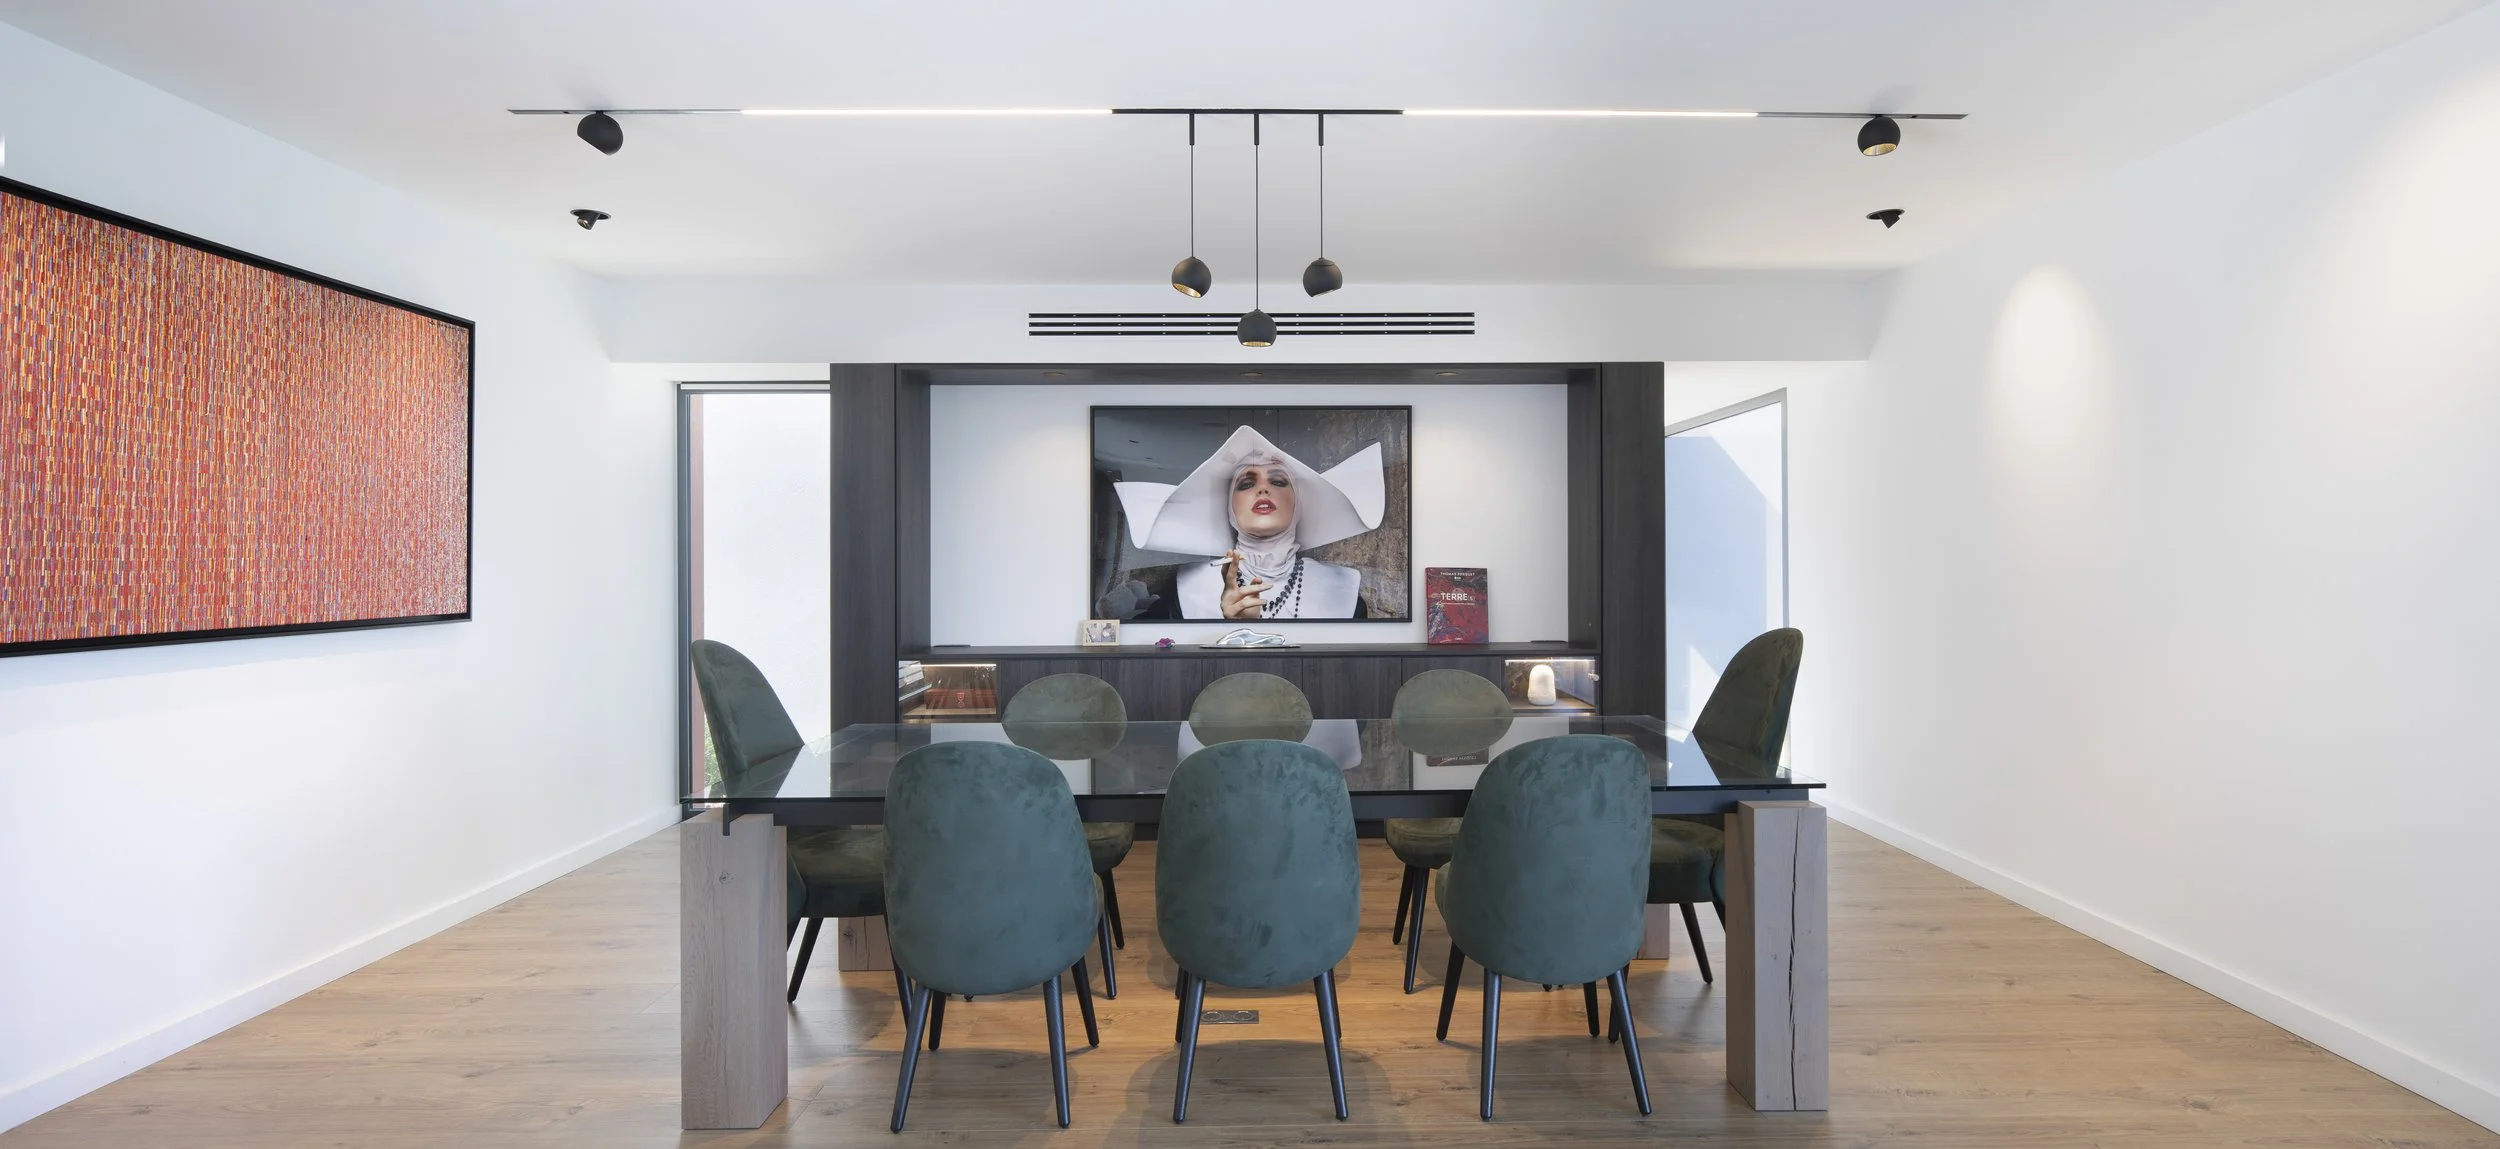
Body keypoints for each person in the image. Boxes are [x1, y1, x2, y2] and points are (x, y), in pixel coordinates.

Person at [1112, 425, 1385, 620]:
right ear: (1230, 510)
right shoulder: (1184, 591)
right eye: (1246, 484)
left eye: (1278, 481)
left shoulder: (1344, 594)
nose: (1263, 489)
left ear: (1298, 507)